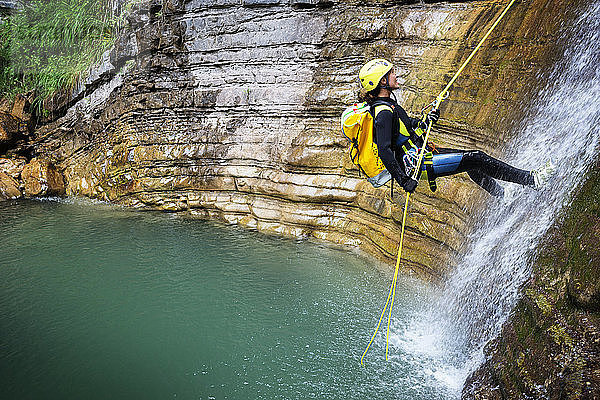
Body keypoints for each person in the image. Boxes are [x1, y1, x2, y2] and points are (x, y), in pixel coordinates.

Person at [358, 58, 555, 196]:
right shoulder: (383, 112)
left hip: (422, 153)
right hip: (417, 164)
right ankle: (532, 180)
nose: (395, 75)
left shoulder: (388, 105)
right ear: (383, 81)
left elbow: (406, 128)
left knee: (470, 162)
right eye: (391, 73)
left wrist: (426, 121)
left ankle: (501, 195)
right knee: (477, 158)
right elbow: (384, 150)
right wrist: (403, 181)